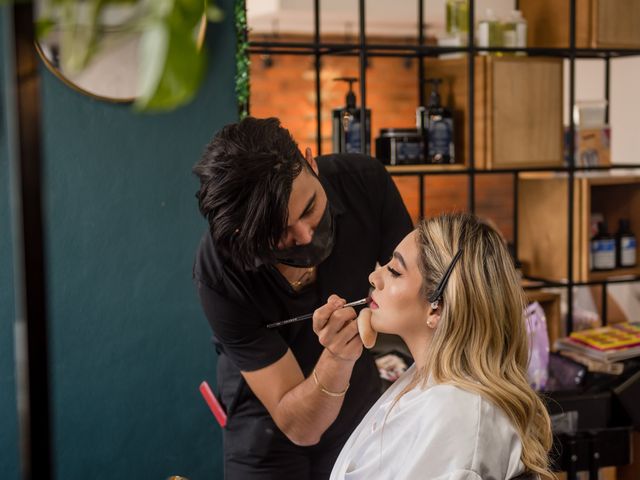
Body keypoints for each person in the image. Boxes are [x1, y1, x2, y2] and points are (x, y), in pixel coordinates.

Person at [192, 117, 413, 479]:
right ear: (243, 233)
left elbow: (424, 285)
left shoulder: (364, 183)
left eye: (310, 208)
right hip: (268, 427)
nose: (307, 235)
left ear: (310, 163)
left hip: (360, 404)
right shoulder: (220, 272)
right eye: (281, 232)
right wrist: (337, 359)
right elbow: (300, 428)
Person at [326, 212, 553, 480]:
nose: (374, 277)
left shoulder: (454, 413)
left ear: (438, 308)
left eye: (395, 271)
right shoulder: (424, 380)